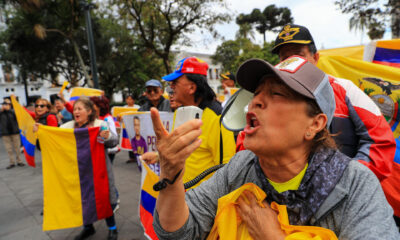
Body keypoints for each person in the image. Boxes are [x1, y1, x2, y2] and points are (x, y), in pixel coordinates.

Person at [151, 56, 400, 239]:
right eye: (256, 93)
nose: (255, 101)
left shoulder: (356, 185)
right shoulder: (240, 167)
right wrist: (171, 176)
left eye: (277, 94)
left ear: (315, 123)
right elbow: (179, 232)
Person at [271, 23, 399, 225]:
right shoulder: (269, 98)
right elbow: (249, 148)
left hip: (350, 209)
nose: (291, 62)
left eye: (298, 54)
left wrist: (346, 184)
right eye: (284, 57)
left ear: (316, 57)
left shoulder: (345, 89)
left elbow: (380, 141)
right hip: (287, 213)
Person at [161, 56, 236, 187]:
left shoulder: (217, 117)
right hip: (179, 197)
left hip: (203, 204)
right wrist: (157, 156)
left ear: (191, 88)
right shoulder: (179, 112)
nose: (171, 87)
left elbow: (227, 167)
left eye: (175, 82)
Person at [60, 98, 118, 240]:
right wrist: (40, 131)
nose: (76, 112)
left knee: (104, 198)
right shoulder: (67, 127)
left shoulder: (100, 125)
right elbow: (52, 138)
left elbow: (113, 142)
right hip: (78, 172)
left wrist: (107, 136)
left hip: (99, 171)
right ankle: (88, 228)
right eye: (75, 109)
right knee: (83, 200)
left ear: (89, 111)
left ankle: (113, 229)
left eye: (79, 109)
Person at [0, 98, 25, 169]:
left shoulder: (13, 112)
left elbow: (19, 117)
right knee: (9, 149)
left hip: (15, 132)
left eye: (6, 104)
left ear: (9, 105)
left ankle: (19, 161)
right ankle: (12, 162)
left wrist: (10, 110)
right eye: (3, 105)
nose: (4, 106)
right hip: (5, 133)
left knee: (17, 148)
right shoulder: (1, 113)